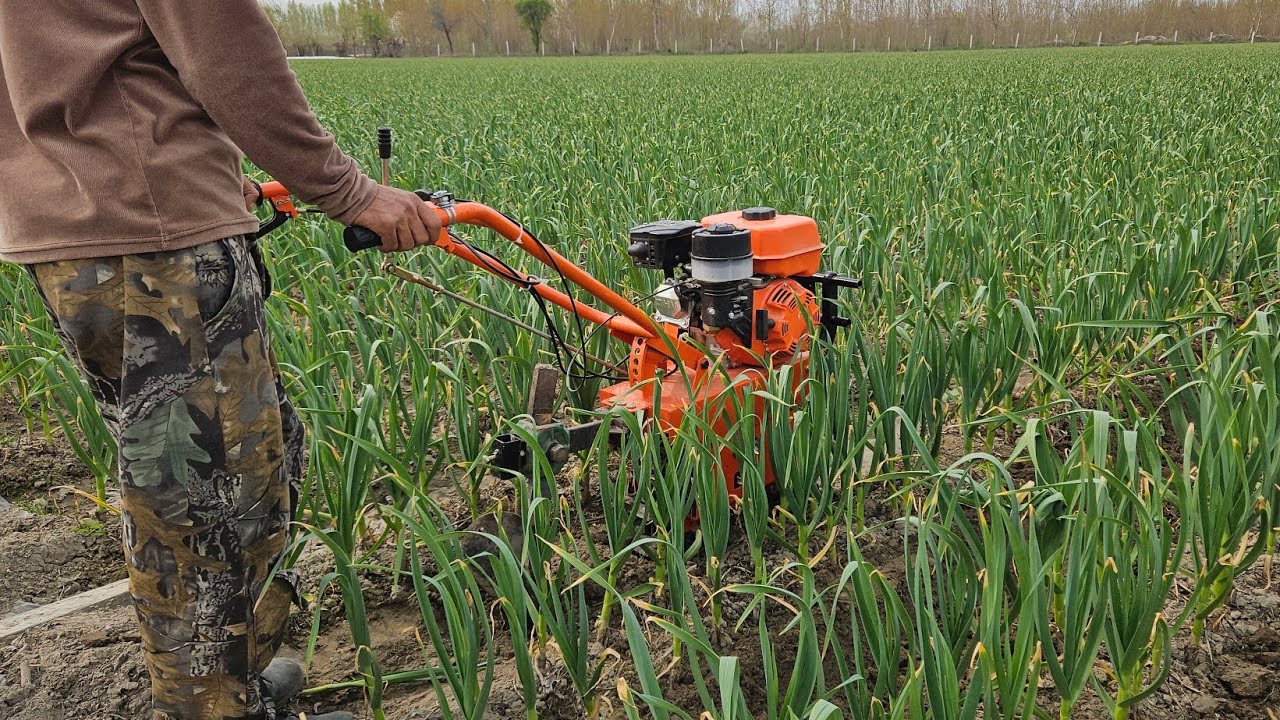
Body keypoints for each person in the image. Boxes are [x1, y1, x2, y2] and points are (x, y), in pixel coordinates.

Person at [0, 2, 440, 718]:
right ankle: (217, 708)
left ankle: (228, 686)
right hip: (155, 235)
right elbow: (226, 54)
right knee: (213, 498)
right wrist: (349, 191)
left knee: (194, 474)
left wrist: (204, 167)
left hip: (73, 233)